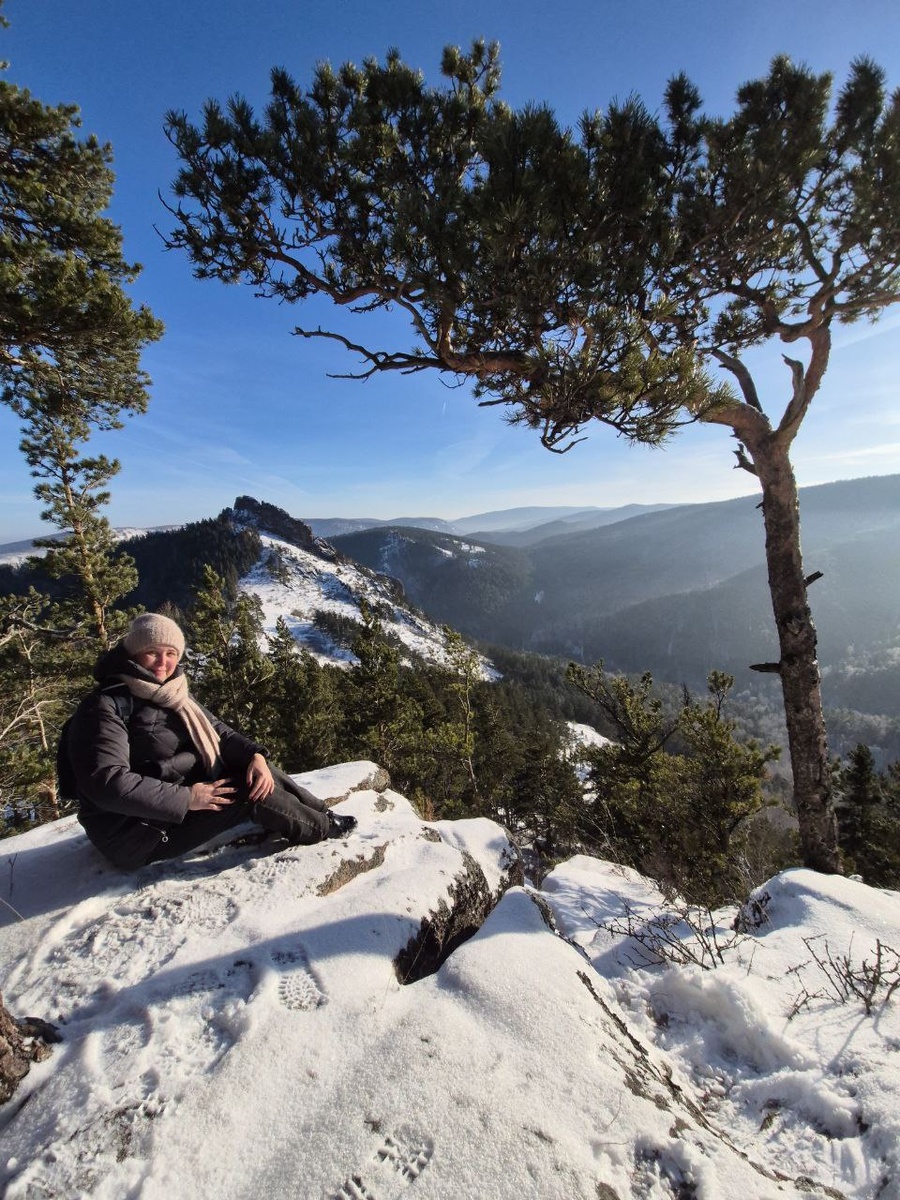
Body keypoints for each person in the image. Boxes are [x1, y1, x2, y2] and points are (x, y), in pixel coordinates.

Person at [68, 612, 357, 870]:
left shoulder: (172, 692)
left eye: (171, 653)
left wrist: (256, 756)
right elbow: (108, 783)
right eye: (152, 652)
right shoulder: (105, 706)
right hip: (133, 833)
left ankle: (320, 811)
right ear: (133, 654)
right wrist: (189, 798)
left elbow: (219, 732)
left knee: (255, 771)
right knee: (247, 791)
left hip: (166, 803)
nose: (163, 662)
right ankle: (319, 829)